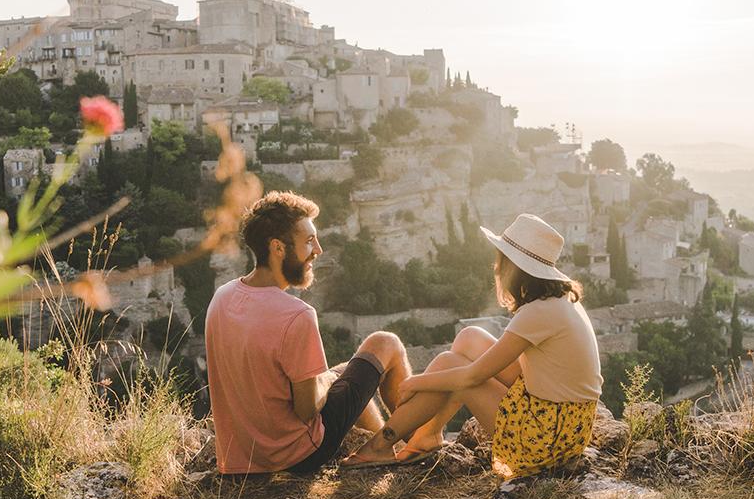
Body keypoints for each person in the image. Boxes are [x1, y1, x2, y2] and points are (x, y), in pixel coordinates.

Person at [342, 213, 602, 478]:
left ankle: (382, 444)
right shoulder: (560, 301)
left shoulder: (538, 312)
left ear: (513, 267)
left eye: (501, 257)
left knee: (452, 365)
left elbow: (472, 375)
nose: (495, 266)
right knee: (470, 337)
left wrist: (413, 383)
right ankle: (426, 436)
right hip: (568, 424)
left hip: (546, 440)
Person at [205, 191, 411, 474]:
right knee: (385, 343)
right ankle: (417, 445)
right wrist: (325, 379)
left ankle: (385, 449)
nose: (319, 250)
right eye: (309, 241)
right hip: (296, 455)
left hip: (243, 459)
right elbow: (307, 409)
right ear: (278, 248)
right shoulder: (297, 315)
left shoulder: (221, 298)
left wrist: (327, 378)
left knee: (344, 376)